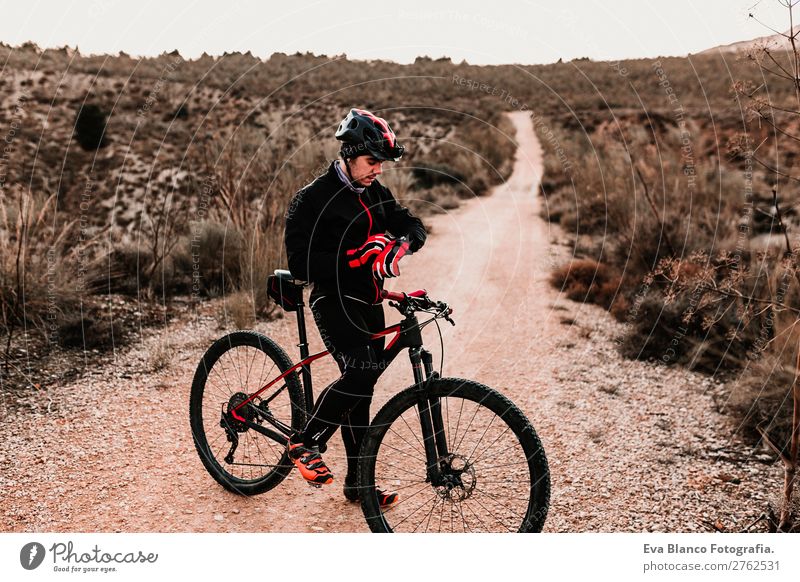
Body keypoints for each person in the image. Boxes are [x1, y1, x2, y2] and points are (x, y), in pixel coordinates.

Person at [284, 108, 427, 507]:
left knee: (361, 391)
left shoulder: (375, 192)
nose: (377, 170)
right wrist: (358, 256)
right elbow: (301, 264)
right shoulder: (311, 198)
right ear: (349, 154)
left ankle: (358, 484)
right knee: (361, 373)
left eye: (381, 163)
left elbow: (411, 223)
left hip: (368, 300)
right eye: (371, 161)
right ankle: (304, 441)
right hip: (332, 299)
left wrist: (403, 244)